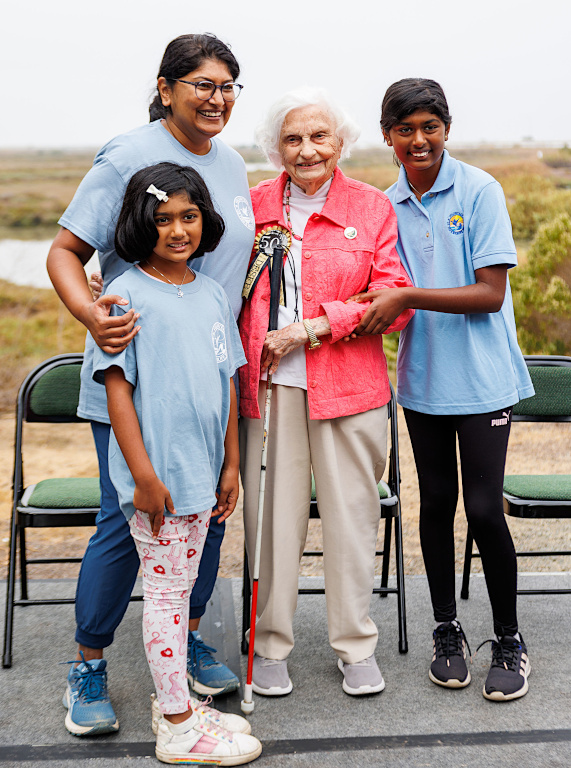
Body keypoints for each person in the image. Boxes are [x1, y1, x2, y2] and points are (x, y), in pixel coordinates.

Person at [46, 33, 255, 736]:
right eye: (200, 83)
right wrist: (91, 317)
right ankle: (89, 665)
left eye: (227, 85)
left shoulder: (227, 160)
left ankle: (184, 639)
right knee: (123, 519)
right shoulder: (127, 154)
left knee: (206, 513)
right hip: (137, 379)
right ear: (165, 88)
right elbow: (66, 251)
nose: (216, 97)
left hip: (210, 372)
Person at [348, 78, 534, 701]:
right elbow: (373, 288)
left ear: (447, 129)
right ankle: (446, 629)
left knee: (483, 510)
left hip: (483, 381)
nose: (419, 139)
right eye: (405, 129)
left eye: (430, 127)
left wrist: (406, 296)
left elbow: (490, 293)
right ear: (387, 137)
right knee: (434, 507)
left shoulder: (480, 190)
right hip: (422, 383)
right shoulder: (382, 205)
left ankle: (508, 637)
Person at [239, 87, 414, 697]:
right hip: (268, 391)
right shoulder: (252, 205)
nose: (306, 150)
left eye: (319, 137)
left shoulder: (371, 208)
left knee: (351, 520)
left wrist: (313, 327)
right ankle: (270, 645)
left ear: (341, 143)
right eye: (293, 139)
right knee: (272, 522)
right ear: (275, 148)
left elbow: (393, 303)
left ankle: (355, 646)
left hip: (349, 387)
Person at [90, 162, 261, 765]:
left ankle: (177, 705)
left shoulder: (213, 294)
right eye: (163, 219)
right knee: (166, 598)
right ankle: (179, 727)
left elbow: (228, 383)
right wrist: (142, 477)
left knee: (182, 594)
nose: (178, 229)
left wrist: (232, 466)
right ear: (142, 224)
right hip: (159, 479)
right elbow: (117, 394)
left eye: (188, 216)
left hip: (204, 474)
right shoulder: (123, 296)